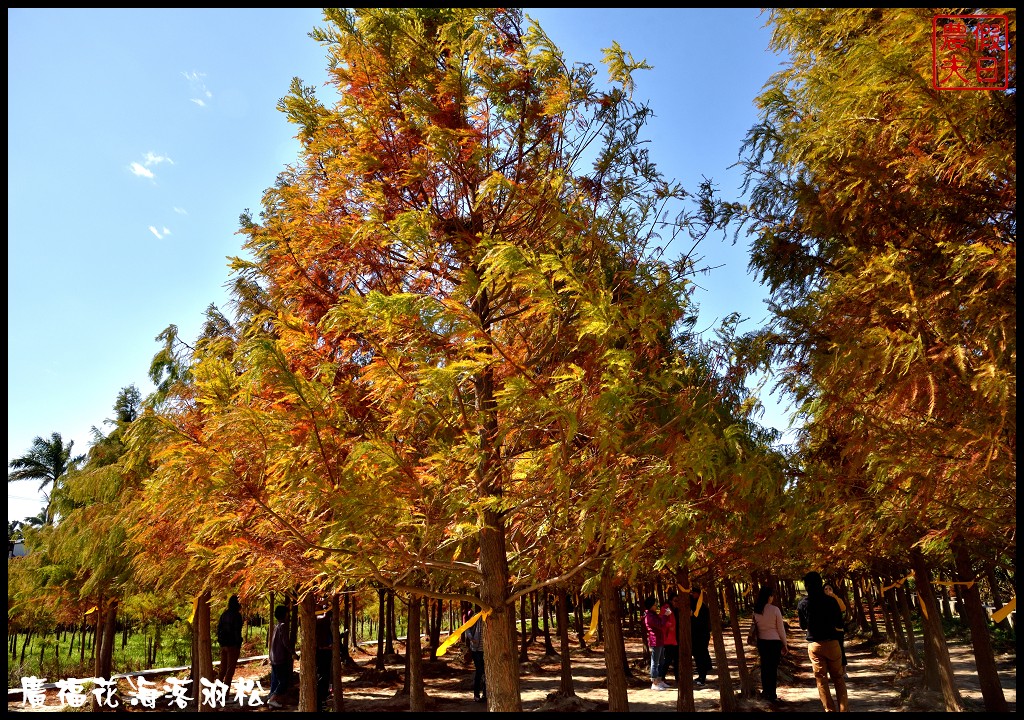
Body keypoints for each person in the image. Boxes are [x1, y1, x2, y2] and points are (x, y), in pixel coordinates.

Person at [798, 571, 848, 712]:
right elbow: (839, 622)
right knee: (838, 678)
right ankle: (844, 709)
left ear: (806, 586)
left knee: (821, 680)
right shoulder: (831, 601)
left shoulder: (802, 603)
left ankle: (829, 710)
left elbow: (802, 626)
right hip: (832, 643)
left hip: (815, 645)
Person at [752, 585, 788, 703]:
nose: (772, 598)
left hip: (762, 642)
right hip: (774, 642)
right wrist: (785, 644)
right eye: (771, 595)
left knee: (764, 667)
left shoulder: (756, 611)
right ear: (768, 597)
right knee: (772, 669)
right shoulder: (775, 610)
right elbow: (781, 629)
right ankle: (772, 694)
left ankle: (765, 692)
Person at [268, 605, 298, 709]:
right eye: (287, 613)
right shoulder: (283, 626)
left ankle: (273, 700)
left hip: (274, 658)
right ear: (284, 614)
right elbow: (285, 642)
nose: (288, 615)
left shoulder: (276, 626)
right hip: (280, 658)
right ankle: (272, 699)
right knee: (283, 681)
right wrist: (292, 652)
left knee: (276, 680)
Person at [216, 595, 244, 687]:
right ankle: (225, 694)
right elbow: (237, 631)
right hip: (233, 645)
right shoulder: (237, 615)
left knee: (222, 670)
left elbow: (219, 628)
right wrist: (238, 643)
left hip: (223, 644)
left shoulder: (224, 614)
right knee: (229, 671)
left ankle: (217, 691)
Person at [824, 582, 850, 680]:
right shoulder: (822, 601)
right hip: (827, 630)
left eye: (829, 588)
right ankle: (830, 672)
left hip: (838, 629)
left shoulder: (836, 599)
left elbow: (843, 608)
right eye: (825, 589)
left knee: (841, 650)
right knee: (828, 651)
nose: (827, 591)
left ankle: (844, 671)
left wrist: (833, 596)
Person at [643, 596, 668, 690]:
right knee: (655, 662)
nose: (656, 606)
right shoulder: (649, 616)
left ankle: (660, 680)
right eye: (654, 604)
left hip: (660, 640)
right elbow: (660, 625)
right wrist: (665, 615)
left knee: (661, 661)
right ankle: (654, 682)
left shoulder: (653, 614)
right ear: (650, 606)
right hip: (655, 641)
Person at [689, 587, 712, 687]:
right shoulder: (694, 605)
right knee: (697, 656)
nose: (692, 595)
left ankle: (702, 677)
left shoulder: (702, 607)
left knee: (701, 656)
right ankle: (700, 675)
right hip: (695, 635)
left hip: (701, 635)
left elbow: (701, 623)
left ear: (698, 594)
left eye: (693, 593)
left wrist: (692, 617)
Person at [315, 609, 334, 712]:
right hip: (323, 653)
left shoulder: (323, 622)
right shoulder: (322, 621)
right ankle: (321, 703)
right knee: (323, 678)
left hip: (324, 652)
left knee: (325, 678)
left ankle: (323, 701)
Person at [658, 595, 679, 684]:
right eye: (675, 600)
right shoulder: (667, 609)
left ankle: (678, 677)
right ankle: (661, 677)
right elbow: (662, 620)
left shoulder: (675, 610)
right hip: (668, 639)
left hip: (675, 638)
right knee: (668, 659)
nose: (676, 602)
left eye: (678, 601)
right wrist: (669, 626)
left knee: (676, 658)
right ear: (670, 601)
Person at [466, 611, 486, 703]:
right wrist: (471, 638)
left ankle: (485, 694)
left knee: (486, 672)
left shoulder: (490, 616)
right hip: (476, 650)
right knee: (479, 671)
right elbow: (467, 627)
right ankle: (476, 695)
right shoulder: (476, 616)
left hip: (486, 651)